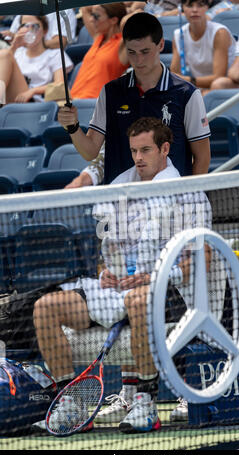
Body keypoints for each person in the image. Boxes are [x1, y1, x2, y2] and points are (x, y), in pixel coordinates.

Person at [32, 117, 212, 433]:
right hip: (117, 291)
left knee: (140, 300)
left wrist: (156, 277)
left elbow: (201, 257)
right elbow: (108, 253)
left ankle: (145, 403)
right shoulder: (119, 188)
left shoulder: (187, 192)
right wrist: (107, 274)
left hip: (168, 291)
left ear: (165, 148)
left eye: (145, 150)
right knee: (44, 307)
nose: (138, 158)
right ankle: (70, 404)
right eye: (133, 151)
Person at [57, 12, 211, 188]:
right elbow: (90, 151)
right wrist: (73, 127)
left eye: (145, 52)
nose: (138, 60)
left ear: (160, 45)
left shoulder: (187, 94)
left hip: (169, 202)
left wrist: (188, 198)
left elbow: (202, 157)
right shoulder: (111, 92)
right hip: (121, 202)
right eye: (132, 52)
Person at [0, 15, 73, 104]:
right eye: (25, 26)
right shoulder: (17, 52)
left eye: (35, 26)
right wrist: (14, 46)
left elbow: (59, 84)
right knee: (4, 53)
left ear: (45, 31)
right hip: (11, 99)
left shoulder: (55, 54)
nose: (29, 30)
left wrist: (33, 91)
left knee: (5, 54)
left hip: (34, 103)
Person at [170, 0, 236, 94]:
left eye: (200, 5)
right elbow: (175, 75)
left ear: (207, 7)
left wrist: (188, 80)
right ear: (182, 8)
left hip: (227, 86)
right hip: (199, 88)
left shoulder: (220, 33)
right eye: (189, 5)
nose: (195, 10)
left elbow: (219, 76)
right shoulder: (178, 35)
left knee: (218, 84)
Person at [70, 3, 129, 100]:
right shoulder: (98, 38)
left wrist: (128, 11)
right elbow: (85, 8)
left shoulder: (122, 43)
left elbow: (131, 21)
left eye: (96, 16)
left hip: (96, 104)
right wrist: (100, 6)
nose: (91, 19)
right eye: (92, 15)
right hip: (74, 102)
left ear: (114, 20)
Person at [6, 9, 77, 49]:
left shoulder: (65, 12)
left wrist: (28, 43)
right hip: (20, 54)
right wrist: (12, 36)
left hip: (49, 57)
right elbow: (11, 38)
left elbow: (60, 43)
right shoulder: (24, 9)